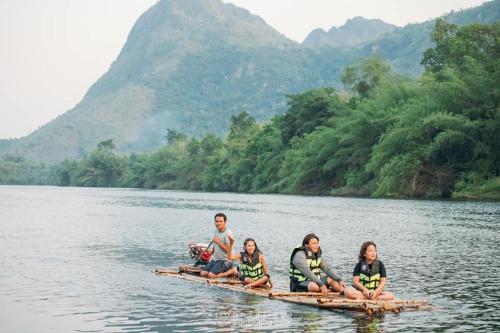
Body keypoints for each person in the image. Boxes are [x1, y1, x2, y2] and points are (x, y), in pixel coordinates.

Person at [200, 213, 238, 278]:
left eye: (221, 221)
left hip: (225, 260)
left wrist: (218, 242)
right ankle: (223, 270)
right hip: (215, 259)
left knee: (211, 275)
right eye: (217, 221)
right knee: (203, 273)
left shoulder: (228, 234)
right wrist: (207, 251)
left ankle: (232, 271)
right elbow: (215, 247)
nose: (218, 223)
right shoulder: (216, 231)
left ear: (225, 222)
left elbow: (228, 250)